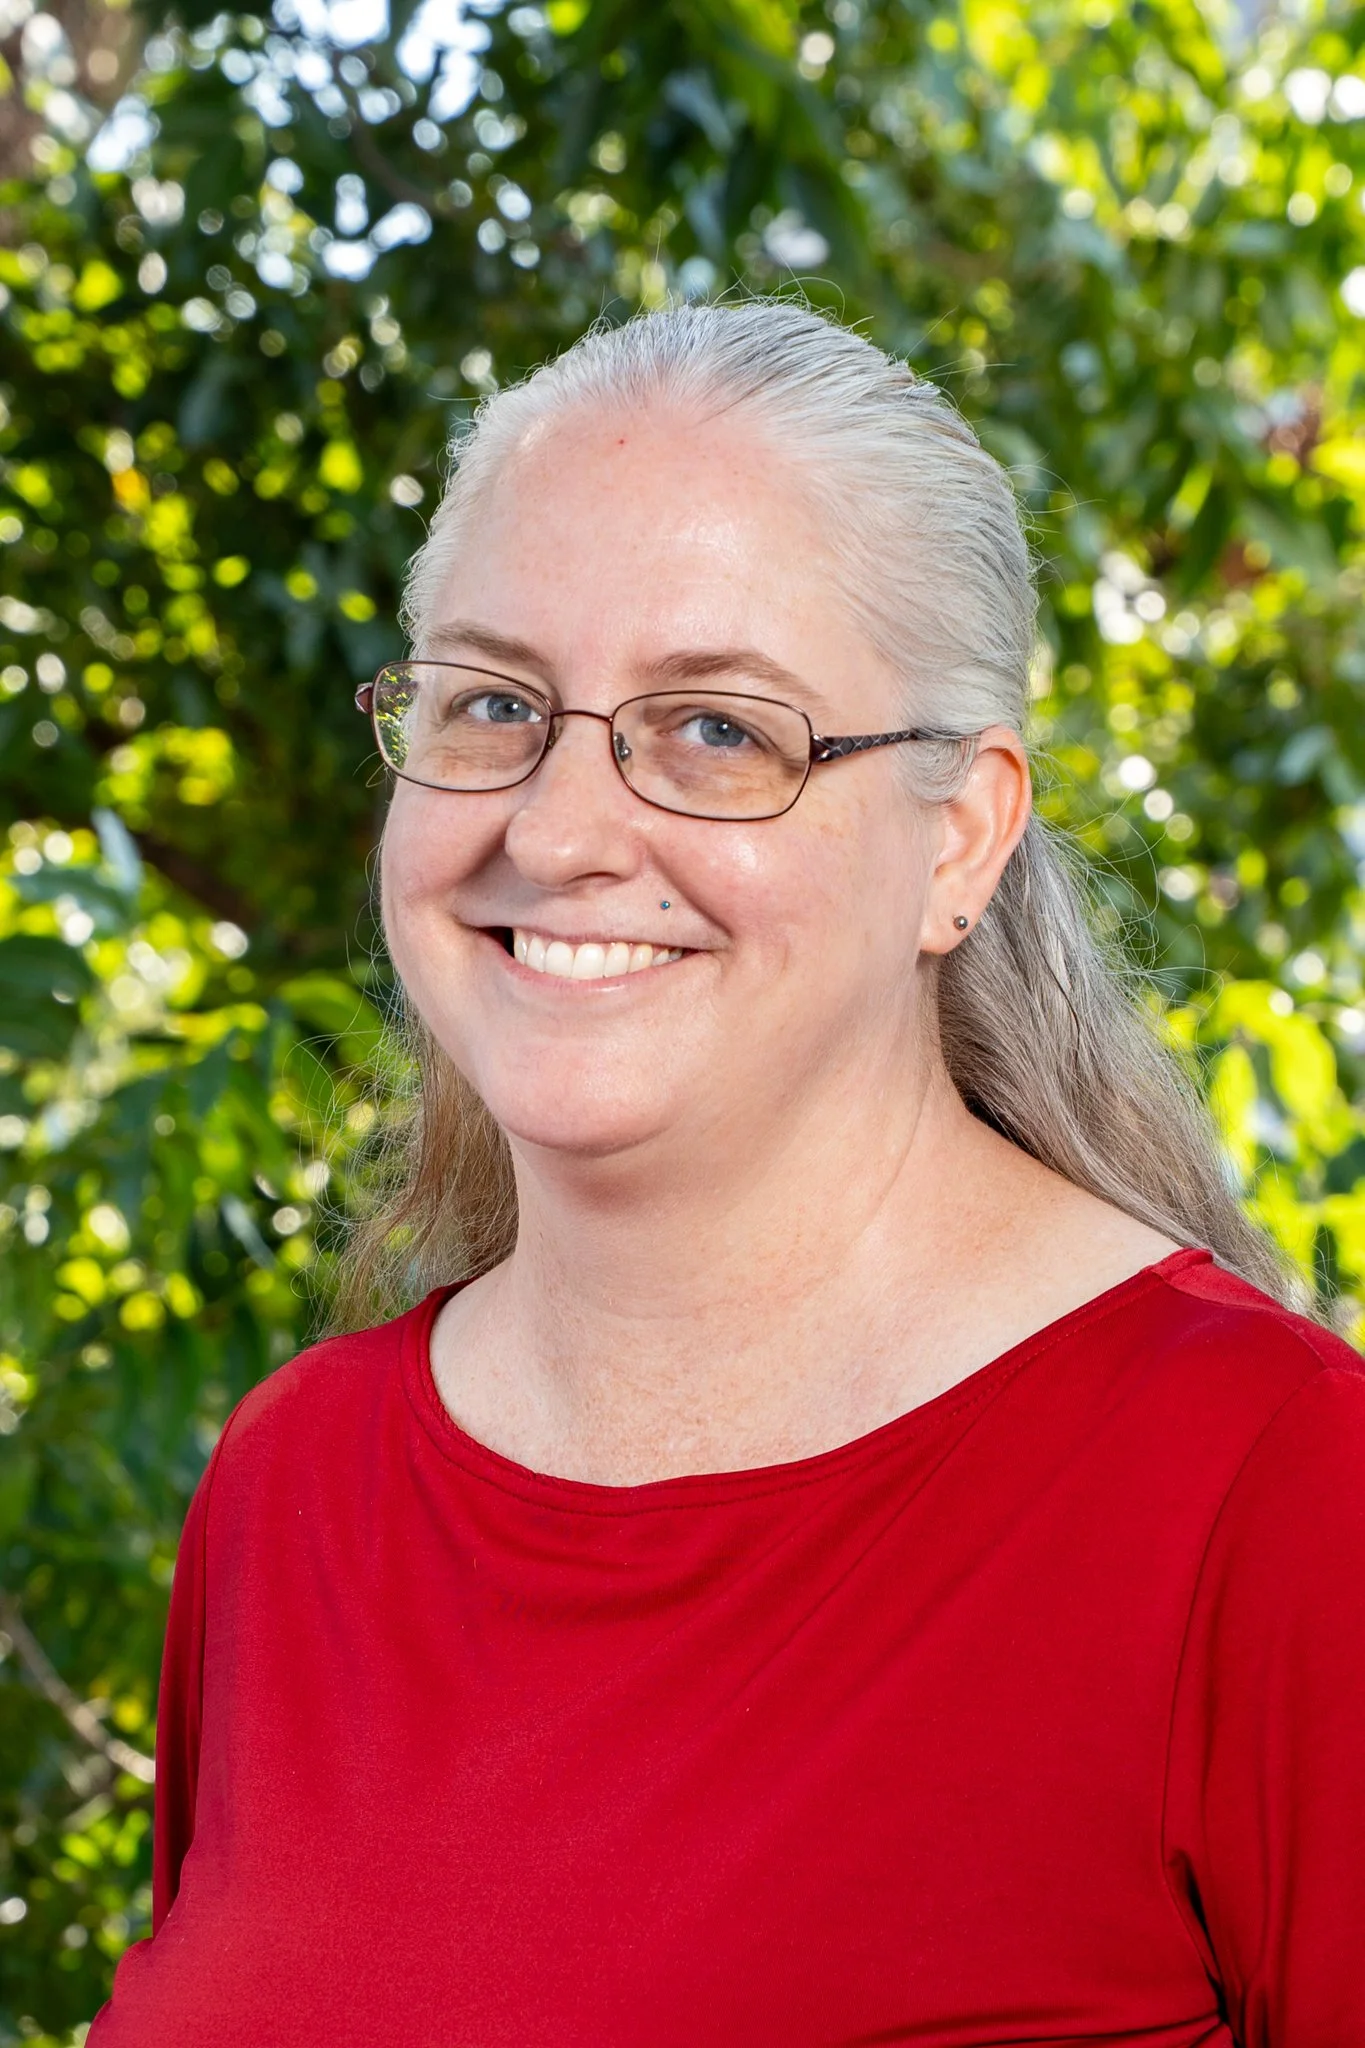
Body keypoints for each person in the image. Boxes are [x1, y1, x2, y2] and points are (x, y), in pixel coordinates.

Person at [90, 301, 1365, 2047]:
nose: (557, 830)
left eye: (715, 730)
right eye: (494, 703)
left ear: (960, 839)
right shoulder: (292, 1480)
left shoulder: (1273, 1491)